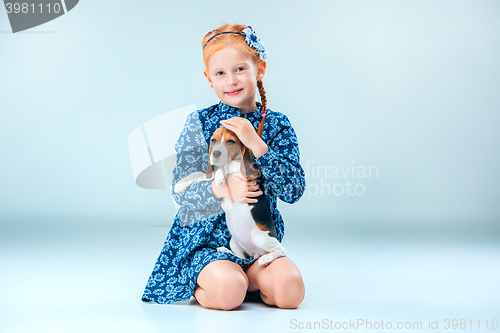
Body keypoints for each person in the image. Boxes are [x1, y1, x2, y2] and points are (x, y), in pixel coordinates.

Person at [141, 23, 306, 310]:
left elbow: (294, 190)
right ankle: (213, 279)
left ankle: (248, 277)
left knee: (290, 292)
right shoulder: (201, 123)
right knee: (229, 292)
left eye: (240, 69)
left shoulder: (278, 125)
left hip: (257, 242)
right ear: (209, 78)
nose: (231, 81)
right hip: (207, 243)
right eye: (220, 73)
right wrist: (226, 188)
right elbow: (180, 193)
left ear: (260, 69)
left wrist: (256, 144)